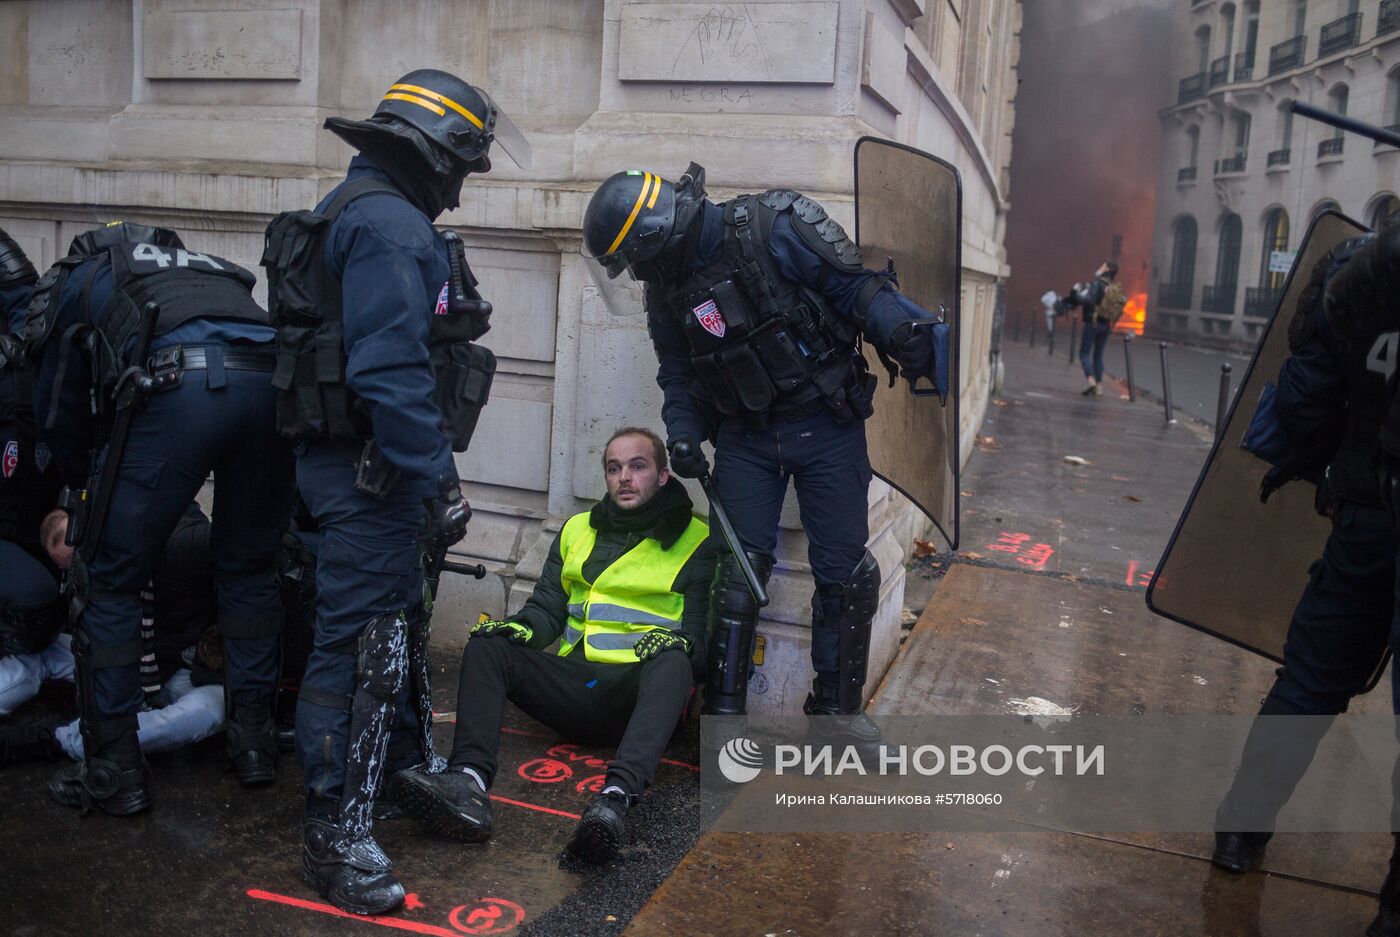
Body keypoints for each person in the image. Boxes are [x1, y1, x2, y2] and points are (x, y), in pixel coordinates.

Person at [267, 69, 524, 916]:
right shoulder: (389, 226)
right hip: (371, 471)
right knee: (358, 650)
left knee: (395, 630)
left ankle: (401, 770)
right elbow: (389, 370)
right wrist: (438, 476)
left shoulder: (359, 208)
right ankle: (332, 834)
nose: (461, 186)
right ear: (435, 154)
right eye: (463, 166)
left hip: (356, 464)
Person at [581, 165, 945, 745]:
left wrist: (906, 333)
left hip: (827, 424)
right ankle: (722, 722)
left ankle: (836, 716)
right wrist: (683, 432)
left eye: (634, 261)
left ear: (654, 239)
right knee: (735, 578)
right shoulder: (667, 290)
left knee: (846, 577)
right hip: (746, 438)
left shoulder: (774, 224)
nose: (636, 274)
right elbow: (678, 374)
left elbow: (855, 289)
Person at [23, 220, 293, 815]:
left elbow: (58, 397)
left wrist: (83, 487)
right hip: (272, 387)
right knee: (249, 570)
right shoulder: (213, 268)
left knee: (107, 580)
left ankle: (115, 772)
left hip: (180, 385)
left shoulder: (81, 274)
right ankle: (254, 747)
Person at [390, 427, 712, 862]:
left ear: (663, 476)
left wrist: (677, 644)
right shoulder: (577, 529)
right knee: (488, 645)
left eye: (638, 467)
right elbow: (546, 611)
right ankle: (466, 781)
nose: (624, 477)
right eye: (614, 468)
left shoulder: (697, 540)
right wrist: (521, 629)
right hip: (576, 688)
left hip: (637, 697)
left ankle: (615, 801)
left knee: (675, 662)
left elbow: (700, 645)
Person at [1217, 230, 1400, 937]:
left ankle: (1241, 827)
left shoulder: (1367, 268)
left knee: (1310, 682)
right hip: (1367, 504)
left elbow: (1306, 397)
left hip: (1365, 510)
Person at [0, 506, 224, 767]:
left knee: (209, 711)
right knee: (44, 648)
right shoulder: (85, 574)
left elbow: (241, 555)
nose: (79, 569)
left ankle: (65, 738)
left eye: (79, 559)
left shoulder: (180, 545)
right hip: (119, 656)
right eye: (69, 566)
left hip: (183, 669)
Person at [1065, 261, 1124, 396]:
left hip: (1093, 322)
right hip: (1106, 324)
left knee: (1084, 353)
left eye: (1103, 266)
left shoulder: (1097, 284)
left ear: (1107, 269)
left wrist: (1075, 294)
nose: (1100, 267)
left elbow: (1088, 300)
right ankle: (1099, 386)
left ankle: (1090, 380)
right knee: (1098, 355)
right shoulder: (1113, 286)